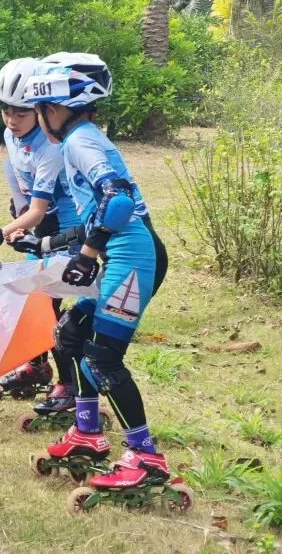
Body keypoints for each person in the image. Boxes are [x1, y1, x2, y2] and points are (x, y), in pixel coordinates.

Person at [18, 52, 170, 490]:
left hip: (133, 256)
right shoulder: (82, 138)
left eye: (39, 110)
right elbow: (96, 215)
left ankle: (146, 458)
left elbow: (117, 200)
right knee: (71, 333)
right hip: (125, 252)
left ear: (53, 109)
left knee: (103, 357)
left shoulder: (79, 142)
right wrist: (44, 244)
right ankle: (86, 432)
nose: (39, 118)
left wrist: (87, 255)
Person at [0, 58, 84, 406]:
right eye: (5, 111)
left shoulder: (51, 146)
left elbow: (39, 208)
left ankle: (69, 386)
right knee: (29, 300)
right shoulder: (11, 135)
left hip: (69, 230)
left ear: (40, 110)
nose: (11, 120)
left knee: (46, 308)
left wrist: (0, 232)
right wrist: (17, 220)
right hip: (42, 225)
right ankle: (37, 367)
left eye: (21, 113)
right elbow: (26, 196)